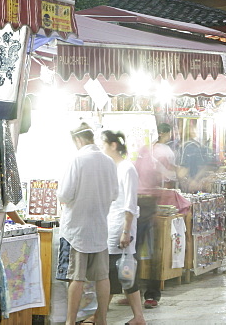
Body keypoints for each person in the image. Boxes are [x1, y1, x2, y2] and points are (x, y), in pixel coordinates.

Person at [57, 123, 119, 325]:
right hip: (100, 227)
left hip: (77, 230)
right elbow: (114, 194)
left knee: (77, 277)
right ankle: (102, 320)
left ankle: (70, 321)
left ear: (77, 140)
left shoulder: (78, 160)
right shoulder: (109, 162)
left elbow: (64, 195)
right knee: (102, 277)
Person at [101, 130, 145, 325]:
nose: (101, 149)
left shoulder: (127, 168)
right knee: (115, 273)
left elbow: (130, 203)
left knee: (122, 272)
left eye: (103, 144)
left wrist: (126, 231)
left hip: (121, 228)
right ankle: (136, 317)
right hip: (110, 226)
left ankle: (138, 317)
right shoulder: (111, 168)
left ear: (113, 145)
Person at [133, 122, 178, 309]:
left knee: (147, 252)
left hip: (148, 204)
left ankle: (151, 294)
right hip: (135, 203)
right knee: (132, 251)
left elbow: (170, 173)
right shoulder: (142, 151)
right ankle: (132, 292)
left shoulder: (159, 153)